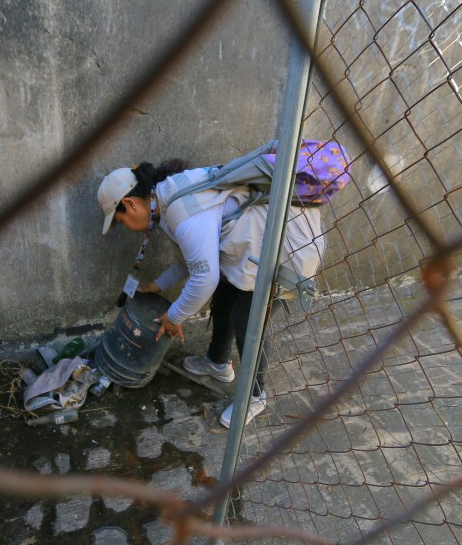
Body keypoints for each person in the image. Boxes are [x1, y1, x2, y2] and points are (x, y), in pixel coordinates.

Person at [97, 153, 325, 428]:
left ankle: (255, 396)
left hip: (288, 250)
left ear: (130, 204)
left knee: (247, 318)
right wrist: (158, 285)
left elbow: (204, 278)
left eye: (121, 221)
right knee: (225, 295)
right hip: (255, 249)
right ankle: (217, 363)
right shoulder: (170, 198)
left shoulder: (179, 211)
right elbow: (190, 259)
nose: (126, 228)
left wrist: (175, 316)